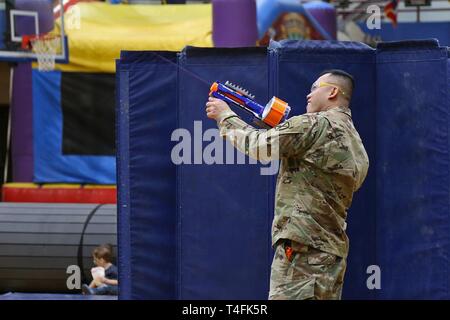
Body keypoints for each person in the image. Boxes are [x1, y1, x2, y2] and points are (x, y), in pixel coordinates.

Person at [205, 69, 369, 300]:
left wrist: (225, 116)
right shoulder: (357, 143)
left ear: (333, 91)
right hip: (332, 254)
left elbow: (258, 146)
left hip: (302, 251)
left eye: (315, 88)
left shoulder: (312, 125)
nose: (308, 95)